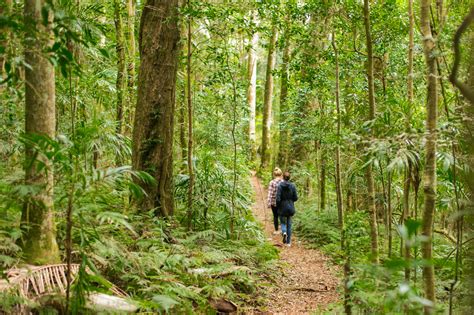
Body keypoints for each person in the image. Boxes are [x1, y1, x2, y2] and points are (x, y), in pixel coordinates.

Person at [276, 171, 298, 247]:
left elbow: (278, 198)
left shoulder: (279, 186)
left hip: (282, 207)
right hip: (290, 207)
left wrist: (278, 206)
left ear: (283, 177)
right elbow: (295, 198)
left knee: (282, 222)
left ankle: (284, 232)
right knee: (289, 224)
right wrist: (290, 200)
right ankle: (288, 243)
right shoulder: (293, 186)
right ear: (289, 178)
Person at [267, 168, 283, 235]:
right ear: (281, 174)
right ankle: (283, 230)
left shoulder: (272, 182)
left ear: (274, 175)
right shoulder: (283, 182)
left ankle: (276, 230)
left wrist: (269, 203)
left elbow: (270, 193)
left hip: (274, 202)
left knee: (275, 216)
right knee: (282, 216)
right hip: (281, 202)